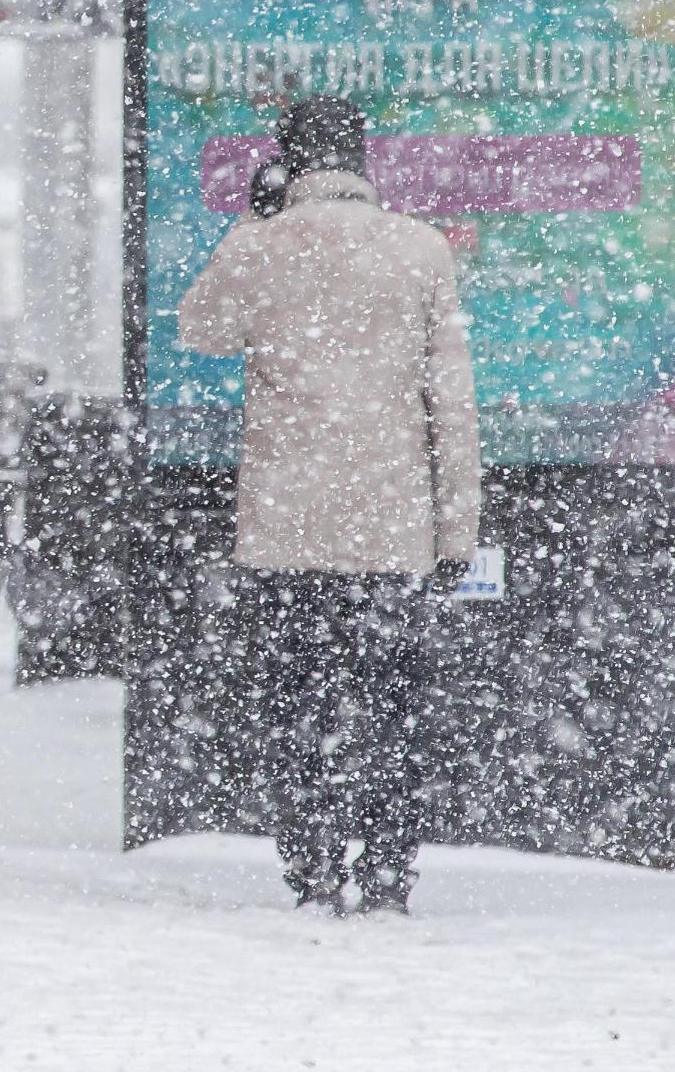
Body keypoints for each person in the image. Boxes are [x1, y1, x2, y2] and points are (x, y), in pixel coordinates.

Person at [175, 95, 481, 916]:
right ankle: (388, 872)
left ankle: (311, 869)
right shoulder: (419, 252)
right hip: (391, 531)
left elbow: (198, 328)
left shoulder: (262, 248)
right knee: (393, 711)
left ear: (288, 162)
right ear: (362, 160)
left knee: (294, 704)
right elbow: (450, 403)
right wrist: (458, 529)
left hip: (286, 527)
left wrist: (253, 219)